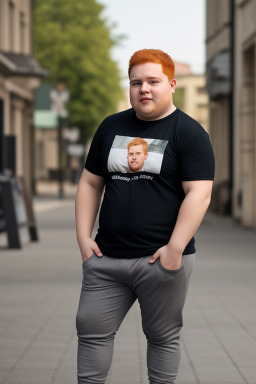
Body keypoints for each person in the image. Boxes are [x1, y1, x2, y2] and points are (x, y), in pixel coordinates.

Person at [75, 48, 215, 384]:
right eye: (136, 82)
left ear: (172, 84)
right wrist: (83, 237)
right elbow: (91, 183)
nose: (144, 89)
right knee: (91, 331)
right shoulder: (111, 126)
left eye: (153, 81)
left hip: (161, 259)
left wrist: (175, 249)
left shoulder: (189, 133)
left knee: (162, 337)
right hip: (106, 257)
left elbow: (200, 193)